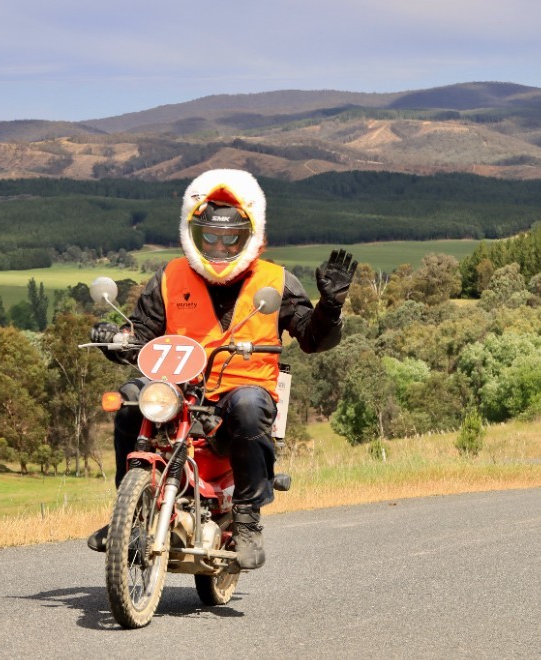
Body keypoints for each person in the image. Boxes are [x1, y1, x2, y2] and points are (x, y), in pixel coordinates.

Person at [87, 168, 357, 569]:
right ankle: (129, 514)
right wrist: (115, 338)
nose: (218, 246)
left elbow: (312, 338)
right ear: (193, 233)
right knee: (130, 399)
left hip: (242, 393)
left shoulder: (277, 281)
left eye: (230, 239)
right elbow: (141, 335)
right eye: (209, 237)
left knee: (249, 406)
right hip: (178, 389)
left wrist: (330, 307)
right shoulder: (170, 276)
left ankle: (247, 520)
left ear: (250, 236)